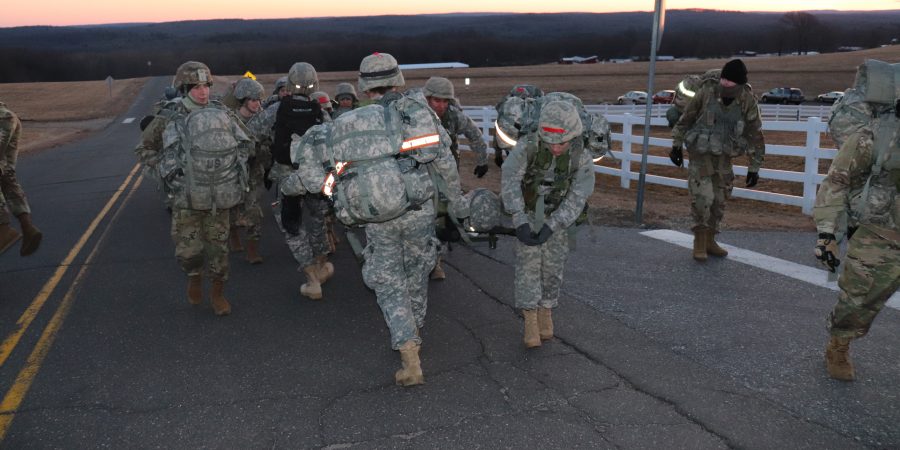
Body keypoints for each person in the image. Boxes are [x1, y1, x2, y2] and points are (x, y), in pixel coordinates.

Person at [356, 52, 468, 386]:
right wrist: (456, 204)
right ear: (399, 79)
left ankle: (407, 347)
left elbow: (334, 170)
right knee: (417, 273)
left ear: (364, 86)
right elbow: (444, 163)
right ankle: (414, 329)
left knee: (389, 281)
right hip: (419, 209)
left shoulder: (354, 120)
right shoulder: (420, 113)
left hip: (379, 215)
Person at [134, 61, 252, 316]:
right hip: (184, 198)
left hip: (218, 198)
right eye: (196, 87)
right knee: (189, 253)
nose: (203, 92)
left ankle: (218, 293)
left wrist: (233, 168)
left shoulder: (222, 113)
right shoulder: (170, 115)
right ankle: (194, 276)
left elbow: (245, 143)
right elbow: (144, 149)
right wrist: (166, 173)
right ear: (184, 88)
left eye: (206, 86)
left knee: (219, 251)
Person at [814, 59, 899, 381]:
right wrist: (827, 233)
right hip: (881, 229)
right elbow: (838, 182)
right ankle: (839, 343)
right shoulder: (873, 136)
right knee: (860, 297)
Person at [501, 100, 596, 348]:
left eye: (561, 143)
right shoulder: (528, 146)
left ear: (573, 137)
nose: (555, 148)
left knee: (552, 269)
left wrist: (553, 225)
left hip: (560, 219)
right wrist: (520, 220)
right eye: (551, 142)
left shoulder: (581, 156)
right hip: (529, 212)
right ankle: (530, 321)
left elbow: (578, 196)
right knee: (528, 267)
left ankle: (547, 310)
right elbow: (510, 180)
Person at [671, 59, 765, 261]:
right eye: (724, 81)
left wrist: (754, 167)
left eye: (731, 83)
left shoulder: (747, 100)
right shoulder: (707, 92)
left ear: (739, 84)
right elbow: (686, 118)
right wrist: (676, 145)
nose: (726, 86)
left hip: (724, 159)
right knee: (702, 199)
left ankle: (711, 240)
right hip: (701, 156)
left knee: (719, 201)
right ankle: (699, 242)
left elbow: (755, 134)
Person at [255, 62, 334, 300]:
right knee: (319, 220)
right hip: (316, 179)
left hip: (287, 176)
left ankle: (311, 279)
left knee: (292, 227)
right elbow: (332, 140)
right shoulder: (320, 111)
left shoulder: (277, 109)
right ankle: (321, 266)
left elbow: (252, 132)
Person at [422, 76, 489, 280]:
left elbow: (474, 134)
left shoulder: (453, 116)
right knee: (422, 217)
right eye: (437, 101)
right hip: (421, 174)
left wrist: (482, 159)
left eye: (445, 101)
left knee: (443, 216)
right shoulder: (417, 116)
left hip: (447, 175)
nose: (441, 106)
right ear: (427, 99)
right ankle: (420, 260)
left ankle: (436, 262)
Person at [227, 77, 269, 264]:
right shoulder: (230, 120)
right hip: (233, 174)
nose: (257, 104)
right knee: (231, 209)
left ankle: (252, 251)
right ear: (243, 100)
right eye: (253, 100)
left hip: (254, 173)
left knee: (253, 211)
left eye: (259, 100)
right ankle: (233, 235)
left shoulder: (262, 119)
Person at [0, 102, 42, 256]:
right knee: (10, 186)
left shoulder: (4, 116)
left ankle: (4, 230)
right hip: (6, 165)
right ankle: (28, 229)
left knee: (8, 184)